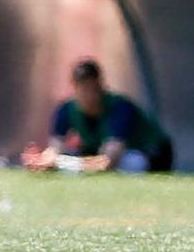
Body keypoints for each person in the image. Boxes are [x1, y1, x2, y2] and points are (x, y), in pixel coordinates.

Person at [21, 58, 171, 173]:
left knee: (131, 163)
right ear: (75, 88)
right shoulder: (66, 110)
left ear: (100, 85)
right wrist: (42, 161)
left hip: (149, 154)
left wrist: (60, 163)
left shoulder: (120, 108)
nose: (89, 95)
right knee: (71, 166)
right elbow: (55, 149)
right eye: (83, 89)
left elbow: (108, 162)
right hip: (101, 152)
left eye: (92, 88)